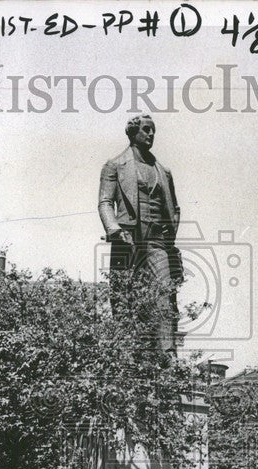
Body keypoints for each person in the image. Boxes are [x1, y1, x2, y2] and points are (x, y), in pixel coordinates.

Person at [98, 115, 183, 359]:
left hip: (157, 241)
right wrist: (114, 229)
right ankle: (125, 353)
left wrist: (171, 233)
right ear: (133, 133)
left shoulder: (163, 171)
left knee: (164, 293)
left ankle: (168, 355)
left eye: (153, 130)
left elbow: (174, 208)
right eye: (146, 130)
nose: (151, 134)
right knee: (124, 297)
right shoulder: (114, 165)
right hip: (128, 238)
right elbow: (105, 202)